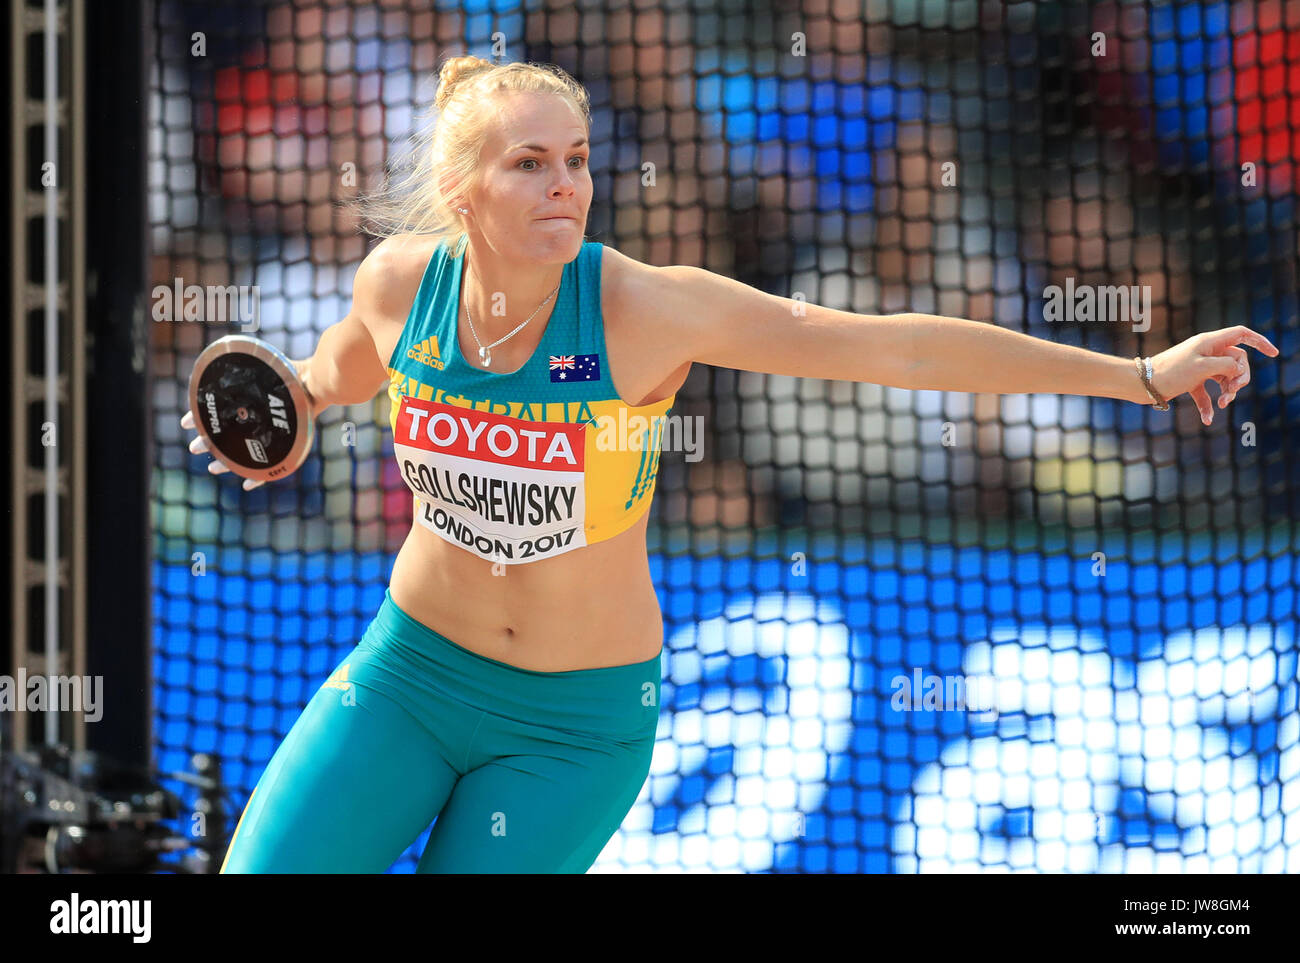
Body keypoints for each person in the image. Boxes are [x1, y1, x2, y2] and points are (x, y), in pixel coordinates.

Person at [187, 55, 1277, 874]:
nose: (566, 184)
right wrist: (279, 415)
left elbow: (890, 345)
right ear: (464, 191)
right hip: (408, 676)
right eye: (530, 164)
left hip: (572, 727)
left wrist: (1136, 374)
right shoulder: (397, 285)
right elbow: (332, 376)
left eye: (576, 160)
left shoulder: (642, 310)